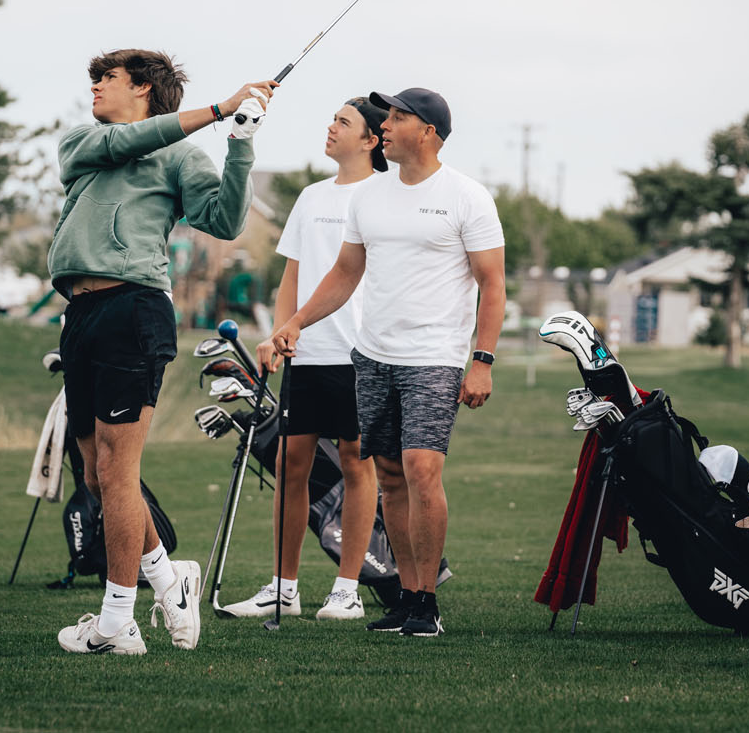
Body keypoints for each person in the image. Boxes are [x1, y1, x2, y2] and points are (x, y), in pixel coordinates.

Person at [50, 48, 276, 655]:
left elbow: (224, 220)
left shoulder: (182, 155)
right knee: (96, 474)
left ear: (145, 89)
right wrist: (219, 108)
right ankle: (169, 581)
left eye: (108, 79)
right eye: (95, 78)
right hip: (82, 314)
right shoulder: (84, 143)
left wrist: (241, 141)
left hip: (133, 309)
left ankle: (115, 623)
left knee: (118, 472)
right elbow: (127, 143)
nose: (95, 87)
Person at [270, 88, 505, 637]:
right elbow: (345, 274)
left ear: (427, 132)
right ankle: (404, 596)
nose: (388, 125)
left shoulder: (466, 196)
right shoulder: (368, 199)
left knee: (423, 470)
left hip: (434, 357)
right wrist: (296, 322)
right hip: (372, 356)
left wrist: (483, 360)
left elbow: (492, 285)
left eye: (399, 117)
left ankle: (426, 602)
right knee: (393, 478)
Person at [220, 97, 387, 622]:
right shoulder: (311, 198)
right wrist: (277, 334)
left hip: (361, 356)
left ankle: (347, 589)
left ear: (371, 140)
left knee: (358, 466)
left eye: (344, 122)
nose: (331, 127)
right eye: (333, 119)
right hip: (305, 355)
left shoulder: (385, 197)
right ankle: (282, 587)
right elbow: (291, 279)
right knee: (292, 467)